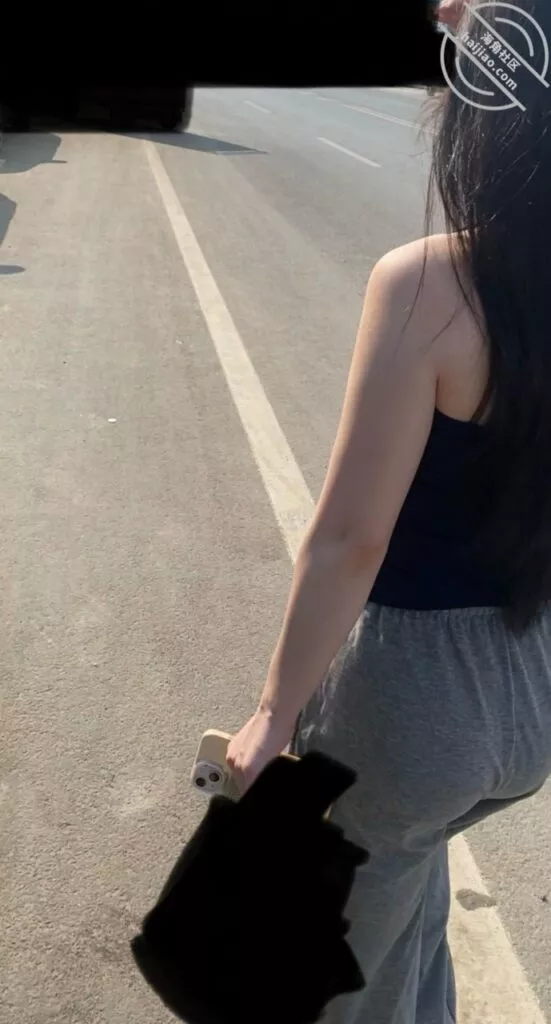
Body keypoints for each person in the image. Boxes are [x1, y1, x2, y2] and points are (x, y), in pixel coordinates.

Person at [227, 0, 551, 1021]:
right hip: (531, 694)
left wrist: (275, 711)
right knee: (400, 904)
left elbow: (347, 539)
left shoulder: (430, 285)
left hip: (412, 703)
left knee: (327, 984)